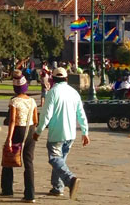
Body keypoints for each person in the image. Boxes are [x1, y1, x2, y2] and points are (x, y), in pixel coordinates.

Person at [36, 67, 88, 199]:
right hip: (70, 133)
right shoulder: (74, 92)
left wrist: (38, 131)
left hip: (57, 132)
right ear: (66, 78)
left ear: (52, 79)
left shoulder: (52, 93)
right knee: (60, 160)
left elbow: (46, 115)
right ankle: (57, 187)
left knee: (55, 158)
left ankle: (70, 179)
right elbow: (81, 113)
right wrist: (84, 131)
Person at [1, 76, 38, 201]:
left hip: (18, 130)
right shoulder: (32, 101)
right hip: (31, 130)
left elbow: (12, 121)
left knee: (9, 158)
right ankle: (30, 194)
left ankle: (7, 189)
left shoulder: (14, 101)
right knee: (28, 162)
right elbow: (36, 120)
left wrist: (9, 139)